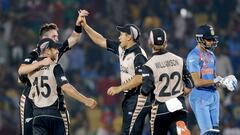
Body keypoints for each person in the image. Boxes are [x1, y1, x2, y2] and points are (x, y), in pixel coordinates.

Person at [80, 10, 152, 135]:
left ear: (129, 37)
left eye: (122, 34)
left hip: (138, 98)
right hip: (130, 98)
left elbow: (140, 78)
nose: (119, 37)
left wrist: (119, 88)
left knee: (128, 132)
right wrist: (85, 26)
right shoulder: (122, 48)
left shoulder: (138, 55)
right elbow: (100, 40)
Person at [18, 10, 85, 135]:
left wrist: (79, 22)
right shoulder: (34, 53)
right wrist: (40, 63)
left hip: (48, 100)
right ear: (44, 39)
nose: (57, 39)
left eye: (57, 36)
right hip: (30, 97)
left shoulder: (56, 49)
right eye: (54, 37)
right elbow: (21, 70)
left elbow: (75, 38)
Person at [27, 38, 97, 135]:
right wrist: (86, 100)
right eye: (54, 49)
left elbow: (21, 80)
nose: (57, 51)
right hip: (55, 114)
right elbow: (66, 87)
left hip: (38, 116)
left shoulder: (30, 69)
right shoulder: (55, 67)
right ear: (47, 51)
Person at [140, 28, 194, 135]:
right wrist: (182, 93)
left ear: (150, 42)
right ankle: (180, 128)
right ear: (165, 42)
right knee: (177, 128)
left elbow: (146, 90)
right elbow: (190, 84)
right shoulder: (179, 60)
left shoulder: (148, 65)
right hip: (179, 105)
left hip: (160, 108)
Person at [186, 24, 237, 135]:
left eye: (213, 39)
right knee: (207, 133)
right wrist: (216, 81)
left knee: (214, 132)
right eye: (209, 39)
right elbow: (197, 82)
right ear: (200, 39)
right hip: (200, 96)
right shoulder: (193, 56)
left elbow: (211, 75)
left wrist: (223, 81)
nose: (212, 42)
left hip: (213, 95)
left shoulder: (211, 55)